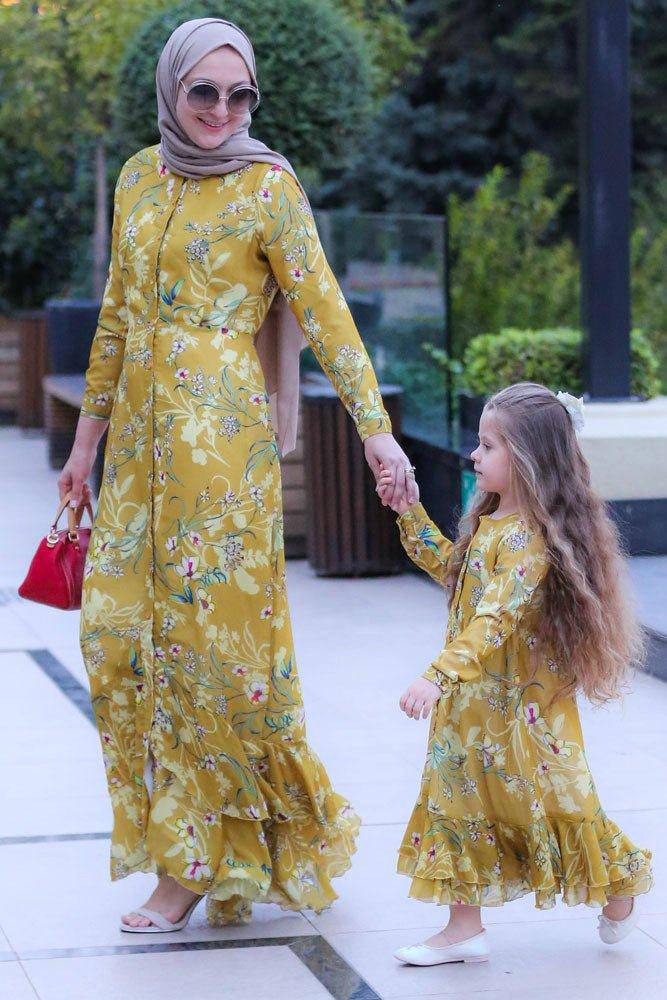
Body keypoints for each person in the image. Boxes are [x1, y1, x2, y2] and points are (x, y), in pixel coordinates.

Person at [58, 17, 415, 933]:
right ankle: (227, 833)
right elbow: (113, 315)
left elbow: (327, 316)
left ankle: (193, 863)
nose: (221, 110)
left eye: (239, 95)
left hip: (219, 453)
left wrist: (377, 436)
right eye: (203, 92)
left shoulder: (267, 188)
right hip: (136, 446)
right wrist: (83, 448)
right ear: (172, 90)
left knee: (205, 654)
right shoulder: (139, 174)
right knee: (115, 639)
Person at [377, 382, 653, 966]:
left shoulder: (530, 539)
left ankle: (621, 884)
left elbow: (496, 616)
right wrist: (408, 512)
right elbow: (454, 575)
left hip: (526, 710)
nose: (474, 456)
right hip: (472, 704)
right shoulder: (488, 522)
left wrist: (436, 675)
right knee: (457, 799)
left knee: (561, 803)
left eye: (487, 446)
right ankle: (462, 929)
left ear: (527, 459)